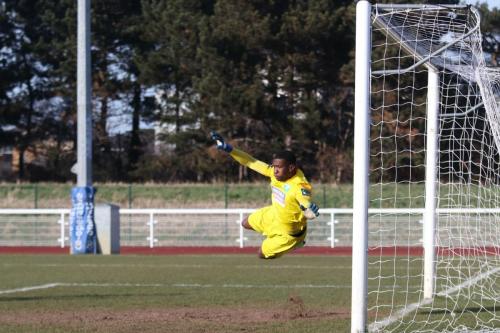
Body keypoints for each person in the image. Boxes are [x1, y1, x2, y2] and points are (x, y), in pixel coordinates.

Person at [211, 131, 320, 259]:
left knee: (261, 254)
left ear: (291, 168)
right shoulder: (275, 173)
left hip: (288, 233)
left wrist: (308, 211)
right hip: (274, 214)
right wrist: (230, 149)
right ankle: (274, 235)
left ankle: (296, 243)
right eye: (274, 166)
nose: (275, 170)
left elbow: (305, 203)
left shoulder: (300, 186)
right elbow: (251, 162)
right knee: (245, 223)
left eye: (279, 167)